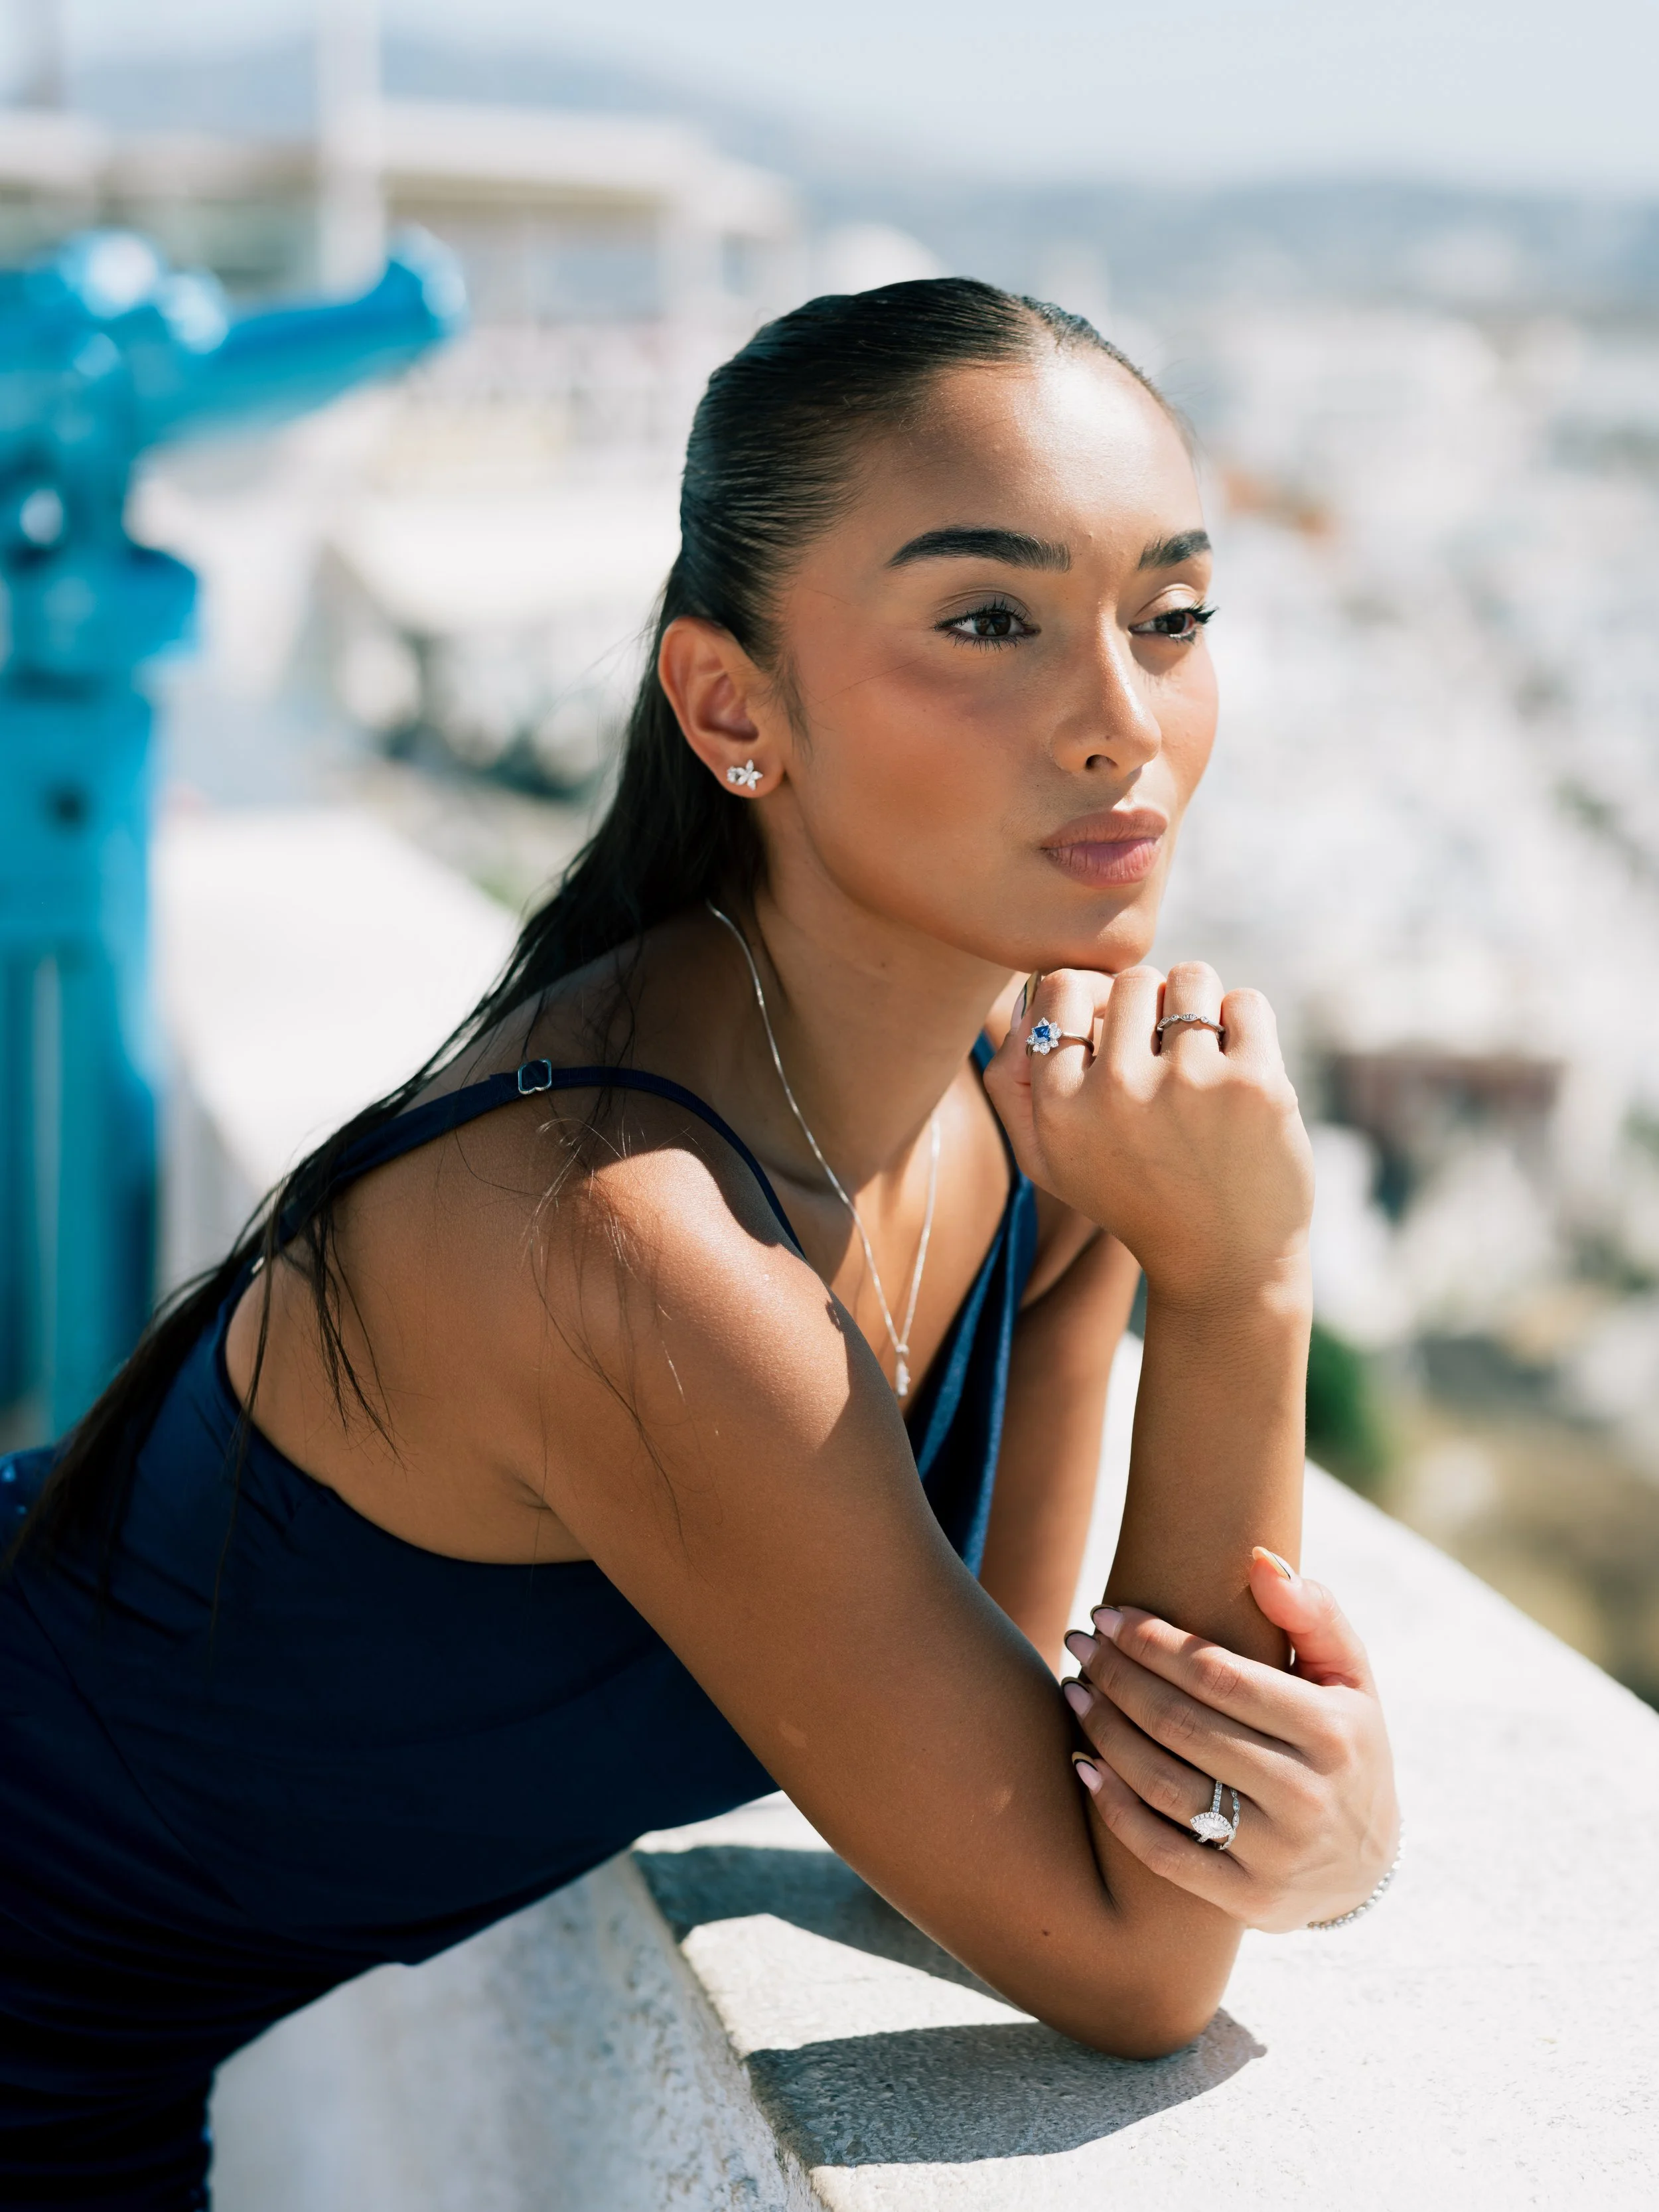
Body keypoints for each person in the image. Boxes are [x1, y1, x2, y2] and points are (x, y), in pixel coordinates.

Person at [1, 278, 1398, 2210]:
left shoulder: (1032, 1126)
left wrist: (1300, 1829)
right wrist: (1241, 1285)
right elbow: (1135, 1956)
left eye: (1167, 619)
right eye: (988, 619)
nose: (1117, 722)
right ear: (733, 704)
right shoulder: (637, 1257)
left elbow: (1029, 1783)